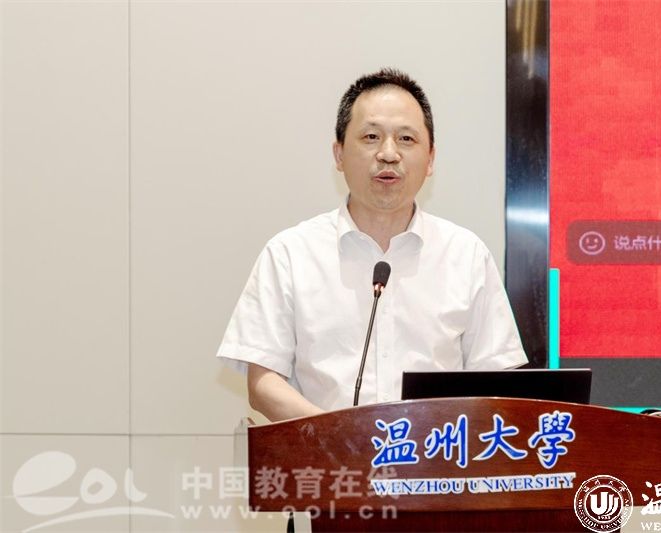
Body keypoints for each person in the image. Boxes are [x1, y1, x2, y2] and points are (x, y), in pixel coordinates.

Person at [216, 68, 527, 421]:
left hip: (435, 456)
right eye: (371, 137)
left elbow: (499, 385)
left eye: (406, 139)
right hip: (324, 454)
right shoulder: (290, 254)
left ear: (430, 159)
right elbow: (263, 383)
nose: (388, 153)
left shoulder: (466, 255)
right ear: (339, 154)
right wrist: (339, 437)